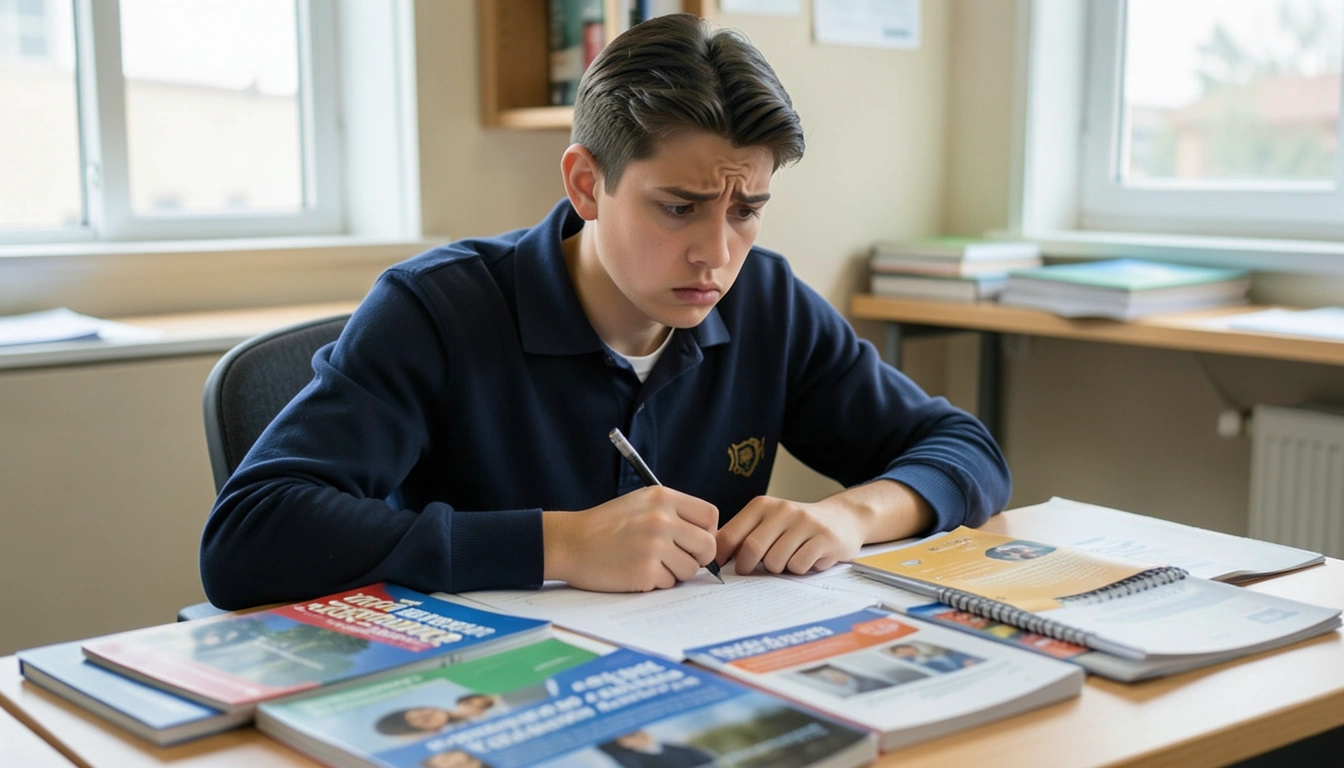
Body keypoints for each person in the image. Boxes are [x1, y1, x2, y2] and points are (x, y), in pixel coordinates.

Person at [200, 13, 1010, 609]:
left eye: (746, 210)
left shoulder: (768, 302)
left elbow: (966, 450)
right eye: (679, 207)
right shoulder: (434, 310)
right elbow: (250, 536)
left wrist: (849, 516)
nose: (717, 255)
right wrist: (561, 542)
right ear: (586, 183)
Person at [598, 729, 715, 768]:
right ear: (623, 743)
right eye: (630, 734)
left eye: (637, 729)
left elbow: (707, 759)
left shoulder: (672, 746)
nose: (639, 734)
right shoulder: (633, 760)